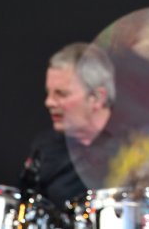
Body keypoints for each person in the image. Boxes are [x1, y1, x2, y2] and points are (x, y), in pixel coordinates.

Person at [20, 42, 117, 208]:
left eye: (61, 94)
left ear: (97, 97)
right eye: (48, 93)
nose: (48, 102)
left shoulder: (137, 148)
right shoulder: (45, 148)